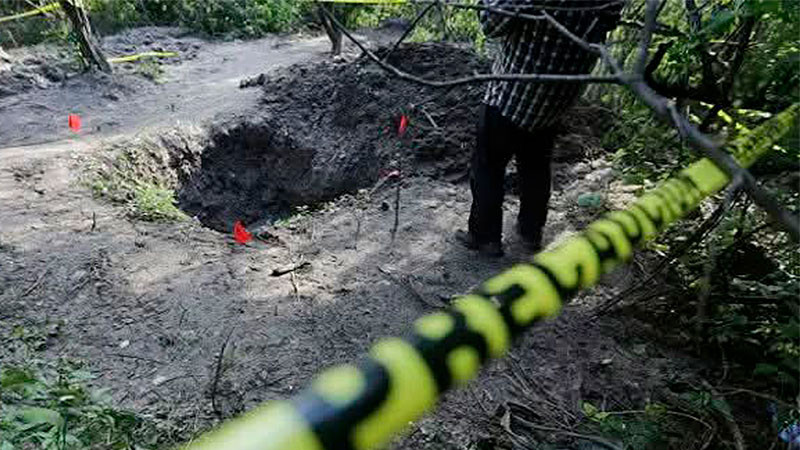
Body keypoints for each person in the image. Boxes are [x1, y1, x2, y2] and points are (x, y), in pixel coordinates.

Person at [455, 0, 624, 257]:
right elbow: (609, 20)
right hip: (558, 94)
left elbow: (492, 23)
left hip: (514, 91)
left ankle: (484, 237)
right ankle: (530, 233)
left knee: (488, 164)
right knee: (535, 164)